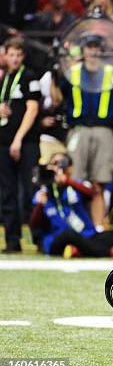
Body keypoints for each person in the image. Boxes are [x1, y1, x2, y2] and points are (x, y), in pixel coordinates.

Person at [51, 33, 113, 231]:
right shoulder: (73, 72)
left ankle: (98, 228)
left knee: (99, 182)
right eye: (89, 47)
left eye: (96, 47)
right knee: (73, 180)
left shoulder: (112, 73)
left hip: (104, 130)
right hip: (79, 129)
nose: (93, 51)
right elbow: (57, 99)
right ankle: (76, 228)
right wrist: (54, 75)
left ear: (101, 51)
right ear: (83, 51)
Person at [29, 152, 113, 258]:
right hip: (58, 238)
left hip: (84, 235)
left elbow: (92, 193)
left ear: (70, 167)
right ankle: (110, 253)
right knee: (69, 234)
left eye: (61, 163)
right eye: (54, 163)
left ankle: (79, 250)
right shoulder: (44, 191)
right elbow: (34, 223)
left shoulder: (75, 185)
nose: (57, 167)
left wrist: (67, 181)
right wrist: (40, 205)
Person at [0, 38, 41, 253]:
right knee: (6, 193)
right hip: (3, 144)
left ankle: (40, 239)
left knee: (31, 192)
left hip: (26, 144)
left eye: (18, 55)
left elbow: (32, 110)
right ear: (5, 55)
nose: (14, 59)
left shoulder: (29, 77)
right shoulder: (3, 79)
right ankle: (12, 241)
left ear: (23, 56)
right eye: (11, 54)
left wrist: (18, 139)